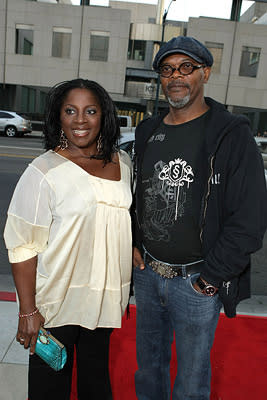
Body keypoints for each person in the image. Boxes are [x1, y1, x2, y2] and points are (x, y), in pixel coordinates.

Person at [132, 36, 267, 400]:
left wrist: (210, 280)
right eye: (167, 69)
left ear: (205, 72)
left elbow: (250, 220)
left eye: (186, 67)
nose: (176, 76)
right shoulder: (148, 131)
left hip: (195, 281)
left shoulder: (231, 135)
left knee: (191, 382)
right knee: (147, 371)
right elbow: (135, 195)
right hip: (147, 277)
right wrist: (132, 241)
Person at [4, 78, 133, 400]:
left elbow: (115, 215)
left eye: (90, 110)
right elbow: (22, 244)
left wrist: (129, 244)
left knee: (96, 383)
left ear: (103, 115)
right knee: (50, 389)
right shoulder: (43, 170)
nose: (80, 119)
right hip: (56, 303)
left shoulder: (123, 163)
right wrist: (28, 311)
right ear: (58, 117)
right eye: (70, 111)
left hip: (102, 299)